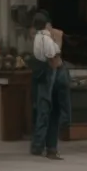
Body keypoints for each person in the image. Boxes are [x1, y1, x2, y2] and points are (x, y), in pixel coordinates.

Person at [28, 13, 67, 159]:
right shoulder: (46, 38)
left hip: (40, 75)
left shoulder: (37, 37)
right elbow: (54, 58)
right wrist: (59, 40)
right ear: (46, 25)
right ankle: (42, 145)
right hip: (48, 75)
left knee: (42, 110)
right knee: (47, 110)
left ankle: (38, 144)